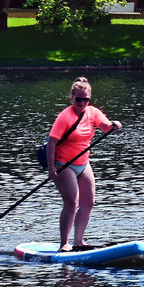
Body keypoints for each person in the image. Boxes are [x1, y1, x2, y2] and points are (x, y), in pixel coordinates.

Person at [46, 77, 119, 251]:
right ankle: (64, 244)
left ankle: (79, 242)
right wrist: (51, 168)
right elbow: (51, 143)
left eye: (86, 99)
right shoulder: (65, 116)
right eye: (78, 99)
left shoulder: (93, 112)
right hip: (63, 164)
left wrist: (115, 125)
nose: (82, 103)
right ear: (72, 97)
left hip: (83, 162)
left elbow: (106, 127)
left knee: (88, 203)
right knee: (72, 202)